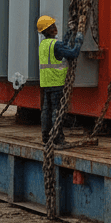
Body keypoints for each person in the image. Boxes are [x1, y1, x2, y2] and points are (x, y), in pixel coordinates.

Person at [37, 15, 83, 147]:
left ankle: (46, 137)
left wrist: (70, 31)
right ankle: (58, 139)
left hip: (46, 83)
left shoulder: (44, 45)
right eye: (52, 27)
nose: (55, 28)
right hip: (56, 83)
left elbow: (63, 47)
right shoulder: (55, 45)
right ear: (48, 30)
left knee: (46, 111)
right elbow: (73, 53)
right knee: (57, 111)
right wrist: (79, 38)